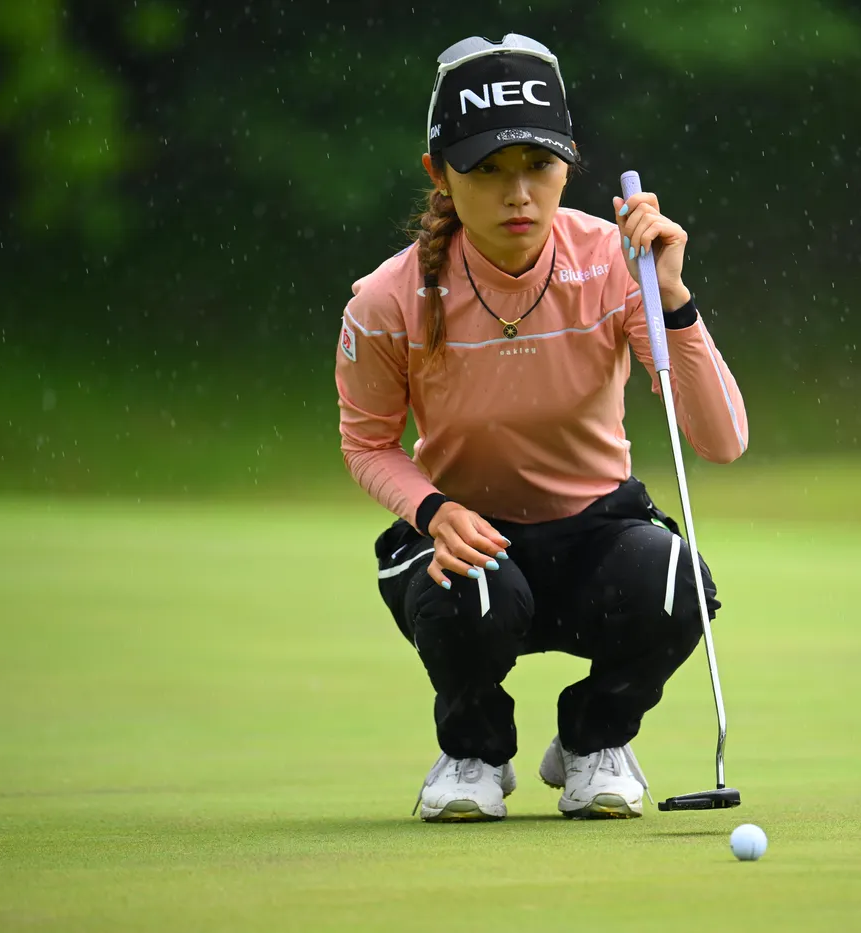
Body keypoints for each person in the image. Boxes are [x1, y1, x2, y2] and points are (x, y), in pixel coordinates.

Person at [334, 34, 748, 822]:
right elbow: (368, 443)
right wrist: (433, 511)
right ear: (439, 173)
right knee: (466, 586)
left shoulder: (615, 263)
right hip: (466, 537)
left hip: (596, 536)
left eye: (538, 164)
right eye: (487, 169)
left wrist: (670, 296)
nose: (518, 193)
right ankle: (473, 752)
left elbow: (722, 441)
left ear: (568, 163)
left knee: (674, 582)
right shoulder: (388, 299)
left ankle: (594, 741)